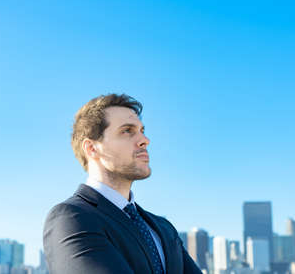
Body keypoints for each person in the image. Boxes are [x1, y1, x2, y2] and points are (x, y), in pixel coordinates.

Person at [43, 94, 202, 274]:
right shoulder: (71, 218)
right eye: (127, 131)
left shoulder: (164, 228)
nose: (144, 140)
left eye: (142, 130)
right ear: (92, 148)